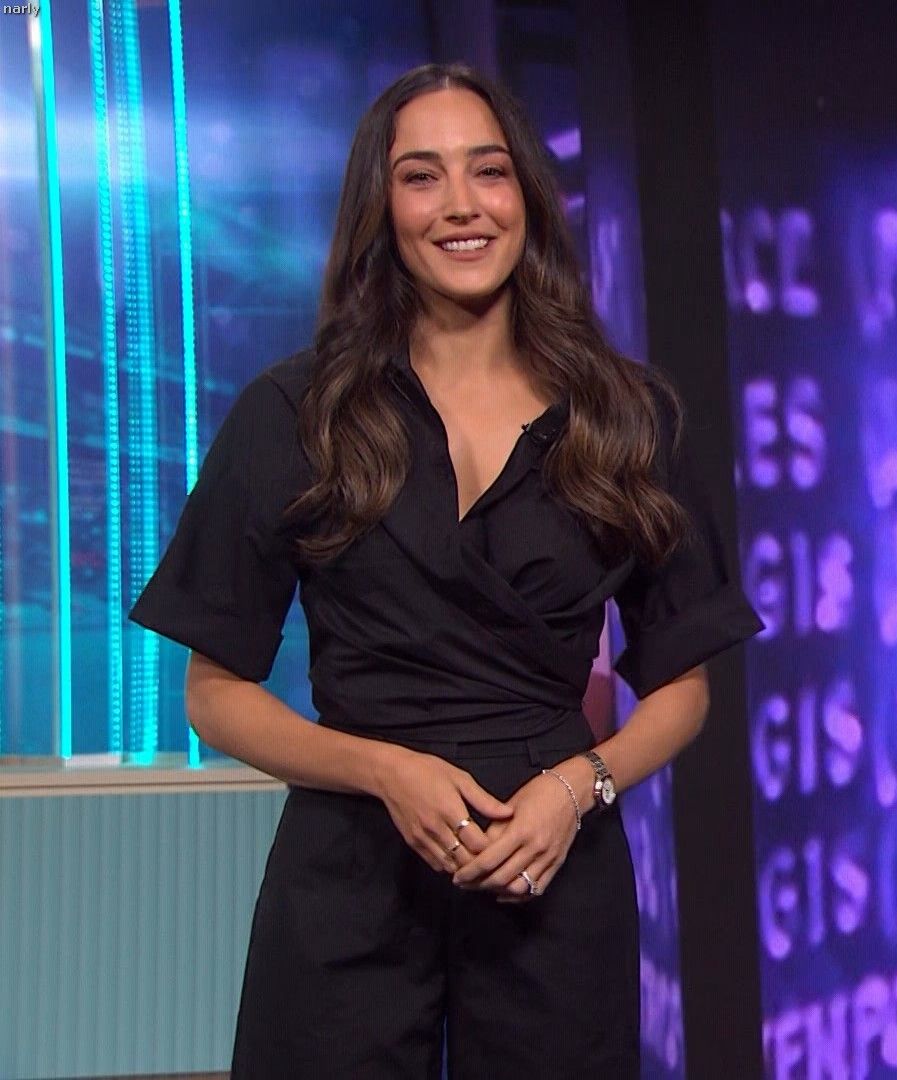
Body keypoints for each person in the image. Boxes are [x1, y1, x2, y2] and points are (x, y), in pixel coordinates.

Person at [129, 63, 763, 1077]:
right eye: (422, 177)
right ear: (381, 209)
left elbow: (683, 686)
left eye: (489, 171)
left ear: (527, 199)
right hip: (349, 872)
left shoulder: (626, 418)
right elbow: (214, 695)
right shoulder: (296, 415)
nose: (462, 205)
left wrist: (580, 788)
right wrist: (384, 771)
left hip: (550, 866)